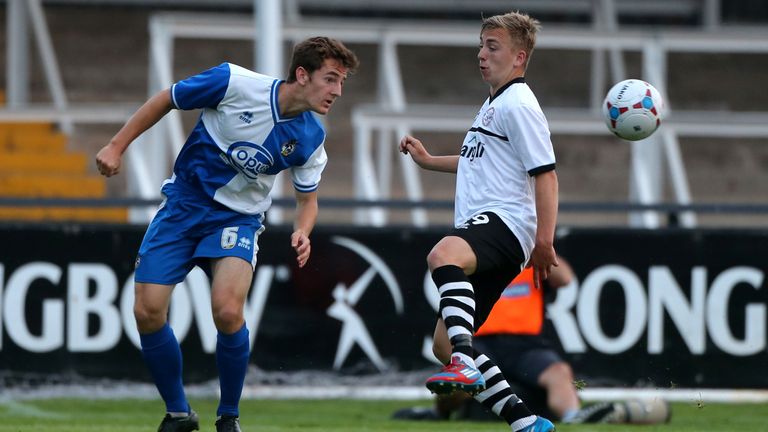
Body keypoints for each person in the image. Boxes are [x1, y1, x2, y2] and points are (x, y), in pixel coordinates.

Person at [95, 37, 359, 432]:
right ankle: (179, 414)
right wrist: (117, 146)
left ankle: (229, 418)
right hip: (183, 207)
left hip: (237, 220)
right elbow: (167, 98)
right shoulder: (234, 82)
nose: (337, 91)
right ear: (302, 75)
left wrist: (303, 231)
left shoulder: (310, 138)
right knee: (147, 310)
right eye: (331, 79)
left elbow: (308, 201)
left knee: (228, 310)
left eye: (341, 83)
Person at [399, 10, 559, 432]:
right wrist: (430, 161)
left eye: (493, 47)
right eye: (481, 45)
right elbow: (478, 161)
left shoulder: (519, 104)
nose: (481, 55)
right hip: (497, 226)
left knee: (443, 253)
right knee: (442, 345)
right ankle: (528, 424)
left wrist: (545, 240)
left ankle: (466, 363)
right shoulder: (495, 103)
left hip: (507, 223)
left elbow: (546, 174)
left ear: (519, 57)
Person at [393, 260, 671, 425]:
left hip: (527, 345)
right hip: (481, 340)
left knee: (559, 374)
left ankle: (575, 416)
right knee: (461, 380)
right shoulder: (477, 261)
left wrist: (537, 243)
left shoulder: (529, 262)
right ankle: (439, 413)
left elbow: (565, 277)